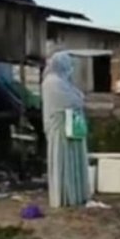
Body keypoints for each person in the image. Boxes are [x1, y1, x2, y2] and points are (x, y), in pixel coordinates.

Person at [42, 51, 90, 208]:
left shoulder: (63, 81)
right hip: (61, 126)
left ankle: (76, 195)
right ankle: (65, 196)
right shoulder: (53, 82)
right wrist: (79, 99)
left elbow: (77, 98)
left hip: (71, 124)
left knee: (73, 159)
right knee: (63, 160)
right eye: (68, 64)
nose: (70, 68)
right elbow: (72, 100)